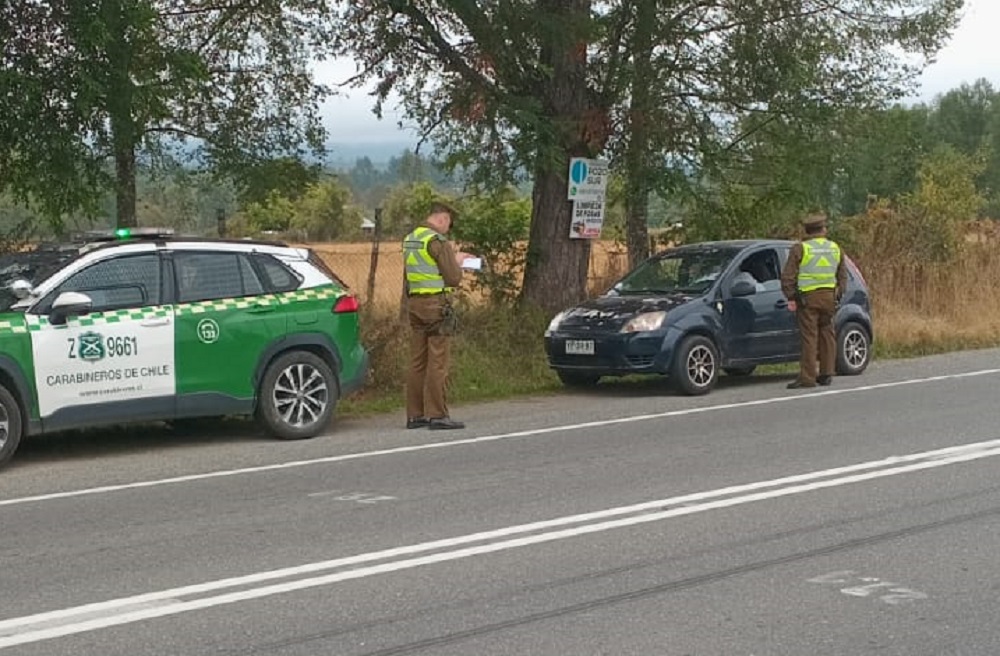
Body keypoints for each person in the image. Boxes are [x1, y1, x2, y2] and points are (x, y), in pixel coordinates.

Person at [402, 203, 474, 430]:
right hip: (435, 305)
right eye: (448, 225)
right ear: (442, 219)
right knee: (438, 361)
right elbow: (453, 278)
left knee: (417, 361)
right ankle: (437, 415)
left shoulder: (411, 239)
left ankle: (415, 415)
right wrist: (458, 261)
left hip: (414, 304)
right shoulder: (437, 241)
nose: (447, 230)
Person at [780, 213, 848, 389]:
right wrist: (838, 295)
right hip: (829, 298)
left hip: (808, 299)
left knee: (810, 337)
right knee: (827, 334)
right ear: (823, 229)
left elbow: (788, 276)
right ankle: (826, 374)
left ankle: (808, 378)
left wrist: (791, 296)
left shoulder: (800, 249)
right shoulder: (835, 248)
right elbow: (842, 276)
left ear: (807, 231)